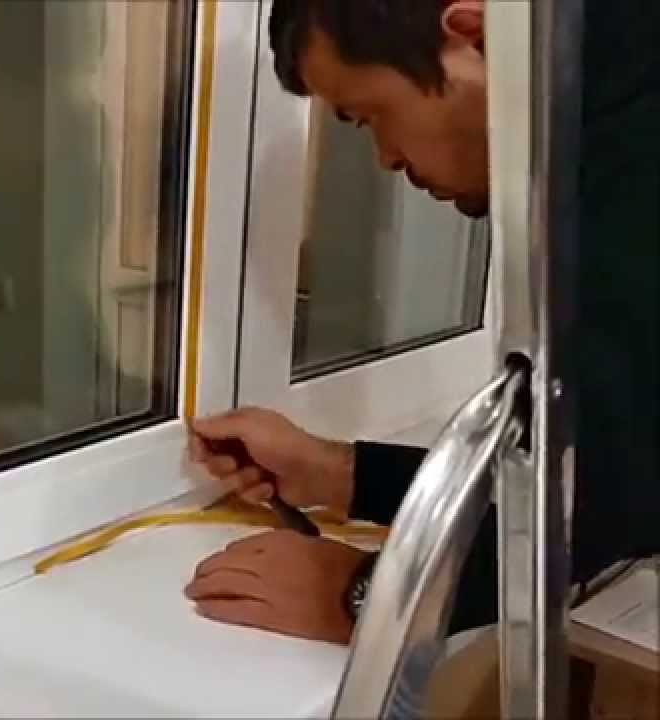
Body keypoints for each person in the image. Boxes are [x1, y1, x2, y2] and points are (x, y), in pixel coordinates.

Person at [186, 0, 658, 644]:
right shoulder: (608, 113)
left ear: (474, 36)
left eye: (371, 114)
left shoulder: (626, 181)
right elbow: (604, 469)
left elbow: (603, 504)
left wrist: (364, 596)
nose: (385, 158)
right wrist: (344, 474)